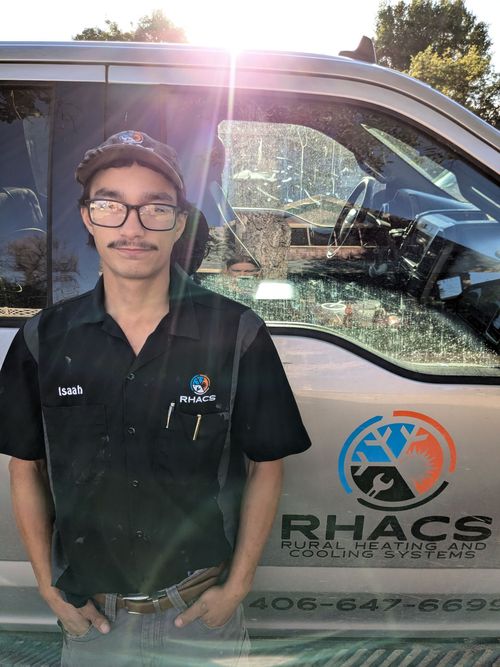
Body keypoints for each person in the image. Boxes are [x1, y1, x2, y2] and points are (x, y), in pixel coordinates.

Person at [0, 130, 311, 666]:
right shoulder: (42, 339)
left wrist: (236, 588)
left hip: (200, 619)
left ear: (181, 223)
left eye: (155, 208)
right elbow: (24, 467)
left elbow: (267, 466)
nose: (132, 227)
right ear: (86, 218)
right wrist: (50, 590)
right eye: (110, 206)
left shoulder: (236, 334)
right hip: (92, 621)